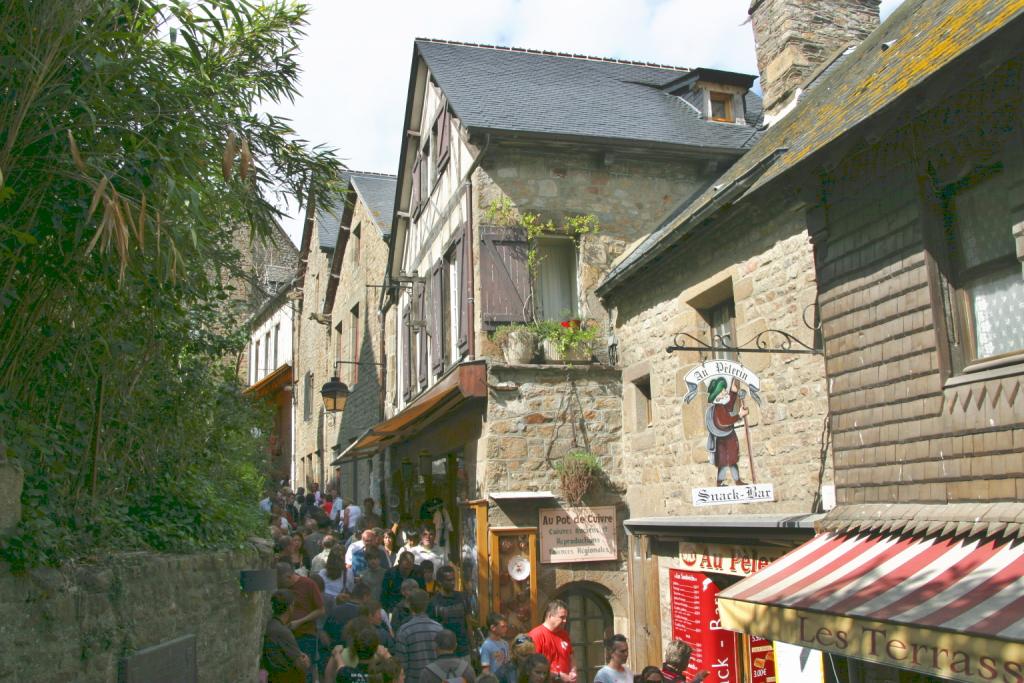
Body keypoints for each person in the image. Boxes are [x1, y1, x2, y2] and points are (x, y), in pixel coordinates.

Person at [277, 562, 326, 683]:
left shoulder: (308, 584)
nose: (279, 584)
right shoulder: (282, 588)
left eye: (280, 581)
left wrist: (300, 622)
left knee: (305, 671)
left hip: (305, 635)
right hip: (286, 635)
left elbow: (321, 610)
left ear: (288, 577)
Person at [704, 377, 749, 486]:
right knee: (724, 462)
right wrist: (739, 415)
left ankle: (734, 481)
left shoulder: (721, 406)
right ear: (717, 394)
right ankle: (722, 482)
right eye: (723, 390)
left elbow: (729, 406)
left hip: (727, 437)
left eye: (725, 389)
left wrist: (733, 392)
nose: (725, 392)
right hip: (725, 439)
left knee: (730, 461)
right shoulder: (718, 408)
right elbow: (724, 421)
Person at [395, 589, 444, 683]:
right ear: (427, 605)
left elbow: (402, 664)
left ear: (409, 605)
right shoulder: (439, 629)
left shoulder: (404, 631)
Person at [262, 589, 310, 683]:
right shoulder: (283, 632)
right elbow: (301, 664)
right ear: (290, 607)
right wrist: (306, 660)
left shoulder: (271, 625)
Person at [427, 566, 472, 660]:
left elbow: (468, 623)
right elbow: (432, 630)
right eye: (449, 580)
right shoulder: (434, 603)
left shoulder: (462, 598)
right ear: (440, 582)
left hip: (463, 649)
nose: (452, 583)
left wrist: (471, 646)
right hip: (444, 651)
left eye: (453, 579)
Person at [527, 601, 575, 683]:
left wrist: (573, 671)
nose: (565, 621)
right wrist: (558, 676)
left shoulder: (564, 634)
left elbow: (571, 655)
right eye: (562, 617)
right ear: (550, 616)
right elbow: (532, 666)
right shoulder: (535, 635)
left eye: (566, 618)